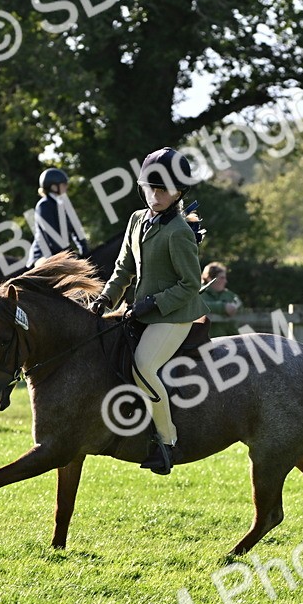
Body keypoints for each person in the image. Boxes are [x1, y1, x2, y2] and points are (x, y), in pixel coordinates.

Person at [90, 148, 207, 475]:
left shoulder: (180, 231)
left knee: (143, 366)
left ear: (178, 192)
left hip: (174, 315)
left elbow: (189, 284)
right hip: (138, 311)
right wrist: (105, 298)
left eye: (162, 190)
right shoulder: (136, 220)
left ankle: (168, 443)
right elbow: (123, 268)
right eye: (149, 188)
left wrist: (153, 303)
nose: (154, 195)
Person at [28, 167, 89, 268]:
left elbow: (75, 230)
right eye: (64, 185)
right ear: (54, 187)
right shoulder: (43, 206)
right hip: (43, 255)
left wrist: (85, 251)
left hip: (61, 253)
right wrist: (70, 255)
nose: (66, 187)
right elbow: (53, 237)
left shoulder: (63, 204)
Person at [200, 262, 242, 336]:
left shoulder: (229, 295)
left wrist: (235, 307)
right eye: (222, 278)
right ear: (210, 278)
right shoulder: (198, 293)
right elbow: (198, 306)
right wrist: (223, 307)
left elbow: (239, 305)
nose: (225, 281)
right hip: (204, 343)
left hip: (229, 342)